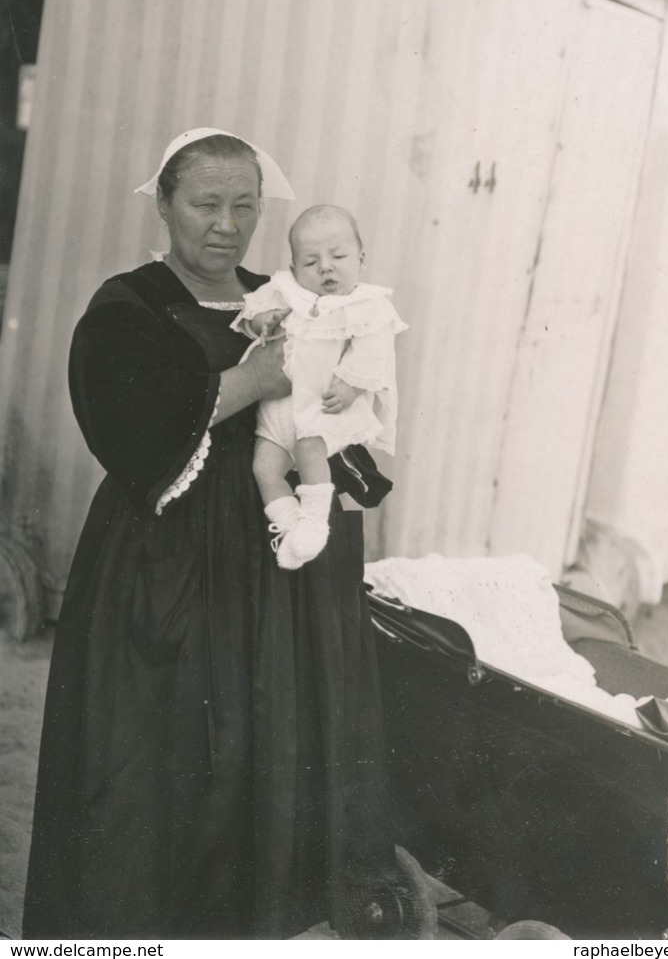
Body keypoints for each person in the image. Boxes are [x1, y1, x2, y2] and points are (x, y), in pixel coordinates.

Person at [22, 129, 397, 940]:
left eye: (245, 205)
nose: (227, 224)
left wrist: (347, 413)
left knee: (259, 755)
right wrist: (248, 380)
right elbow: (126, 429)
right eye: (206, 203)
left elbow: (329, 403)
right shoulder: (127, 305)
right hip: (168, 564)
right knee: (165, 764)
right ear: (163, 203)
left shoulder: (287, 294)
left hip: (269, 569)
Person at [233, 204, 406, 571]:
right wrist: (261, 321)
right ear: (295, 269)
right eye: (311, 262)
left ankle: (314, 521)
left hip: (324, 406)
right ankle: (291, 527)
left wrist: (350, 385)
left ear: (360, 258)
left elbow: (373, 351)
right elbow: (251, 314)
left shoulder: (367, 304)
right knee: (265, 466)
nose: (325, 267)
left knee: (310, 449)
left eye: (338, 256)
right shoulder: (285, 291)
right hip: (278, 412)